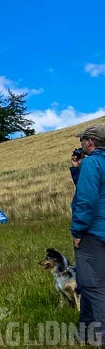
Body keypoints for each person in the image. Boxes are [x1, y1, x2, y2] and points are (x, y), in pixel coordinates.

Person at [70, 125, 105, 345]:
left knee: (91, 284)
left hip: (93, 232)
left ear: (90, 141)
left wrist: (78, 230)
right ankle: (84, 333)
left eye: (82, 140)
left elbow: (87, 199)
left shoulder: (93, 162)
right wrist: (77, 170)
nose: (81, 144)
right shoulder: (93, 164)